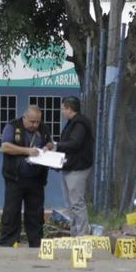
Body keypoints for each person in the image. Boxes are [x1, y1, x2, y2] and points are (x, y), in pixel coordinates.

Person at [0, 105, 53, 248]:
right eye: (32, 122)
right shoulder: (12, 126)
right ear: (24, 118)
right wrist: (27, 151)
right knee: (12, 211)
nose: (35, 125)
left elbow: (50, 142)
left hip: (36, 179)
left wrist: (48, 147)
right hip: (15, 178)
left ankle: (36, 243)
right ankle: (8, 242)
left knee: (35, 213)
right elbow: (5, 146)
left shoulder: (43, 128)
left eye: (37, 122)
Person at [58, 96, 94, 237]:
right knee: (70, 204)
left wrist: (57, 145)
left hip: (78, 168)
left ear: (69, 109)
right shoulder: (72, 123)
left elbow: (75, 143)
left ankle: (82, 235)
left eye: (62, 109)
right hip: (69, 167)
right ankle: (74, 233)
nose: (62, 112)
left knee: (77, 203)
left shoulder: (80, 123)